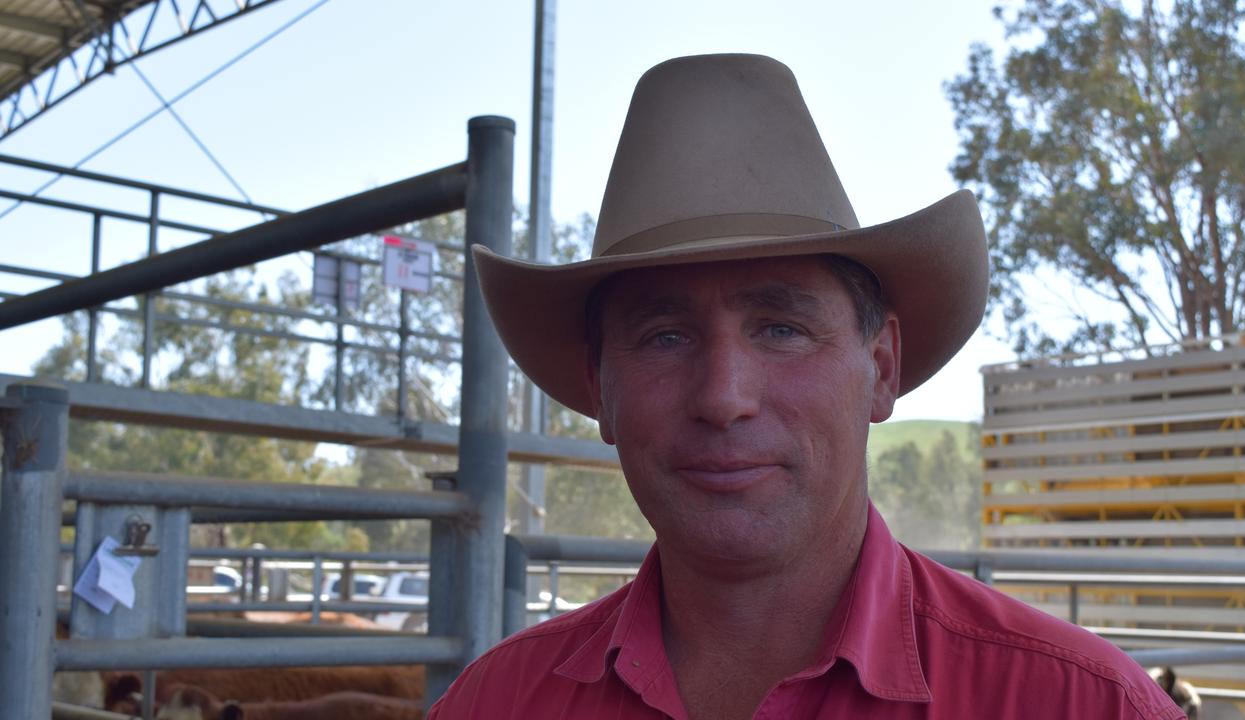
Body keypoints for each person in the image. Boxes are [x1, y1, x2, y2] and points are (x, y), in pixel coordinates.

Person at [429, 54, 1183, 719]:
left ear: (881, 367)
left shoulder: (1082, 705)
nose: (724, 397)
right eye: (665, 336)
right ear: (601, 389)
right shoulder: (493, 704)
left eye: (781, 328)